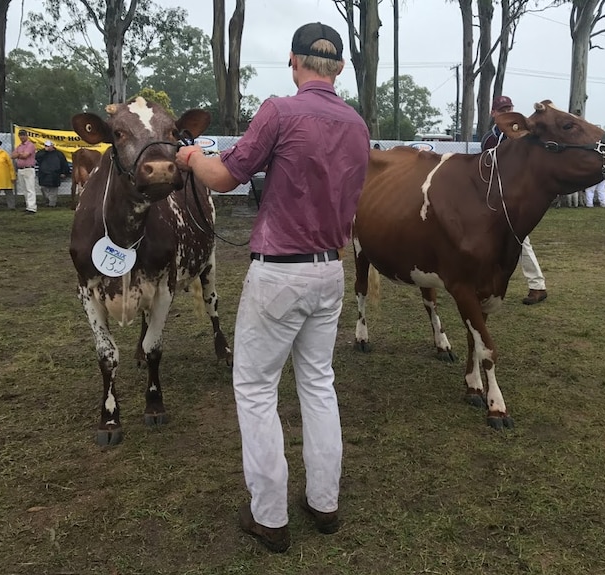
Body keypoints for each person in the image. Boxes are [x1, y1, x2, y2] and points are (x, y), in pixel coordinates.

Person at [175, 21, 369, 553]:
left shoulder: (280, 111)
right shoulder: (357, 124)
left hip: (281, 270)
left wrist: (192, 157)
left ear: (294, 60)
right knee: (318, 384)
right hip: (331, 268)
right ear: (340, 68)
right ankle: (324, 503)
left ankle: (270, 515)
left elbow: (226, 177)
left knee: (257, 390)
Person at [481, 95, 548, 305]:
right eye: (502, 110)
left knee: (520, 240)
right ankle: (486, 282)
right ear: (494, 113)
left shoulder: (521, 135)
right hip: (492, 196)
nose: (506, 112)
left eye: (509, 108)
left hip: (516, 196)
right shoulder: (489, 138)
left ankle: (537, 285)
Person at [35, 140, 70, 208]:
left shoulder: (59, 154)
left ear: (52, 146)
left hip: (55, 174)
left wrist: (64, 172)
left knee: (53, 189)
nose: (46, 147)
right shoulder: (41, 153)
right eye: (45, 146)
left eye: (48, 146)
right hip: (44, 174)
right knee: (43, 188)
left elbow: (64, 163)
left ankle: (52, 204)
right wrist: (45, 151)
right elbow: (37, 157)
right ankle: (47, 201)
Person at [11, 129, 38, 214]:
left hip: (28, 168)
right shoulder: (19, 146)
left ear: (27, 136)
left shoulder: (30, 145)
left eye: (23, 135)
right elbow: (12, 155)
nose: (22, 137)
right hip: (21, 169)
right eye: (20, 135)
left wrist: (19, 154)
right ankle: (28, 206)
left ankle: (32, 207)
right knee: (24, 189)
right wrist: (20, 154)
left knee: (30, 188)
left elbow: (25, 155)